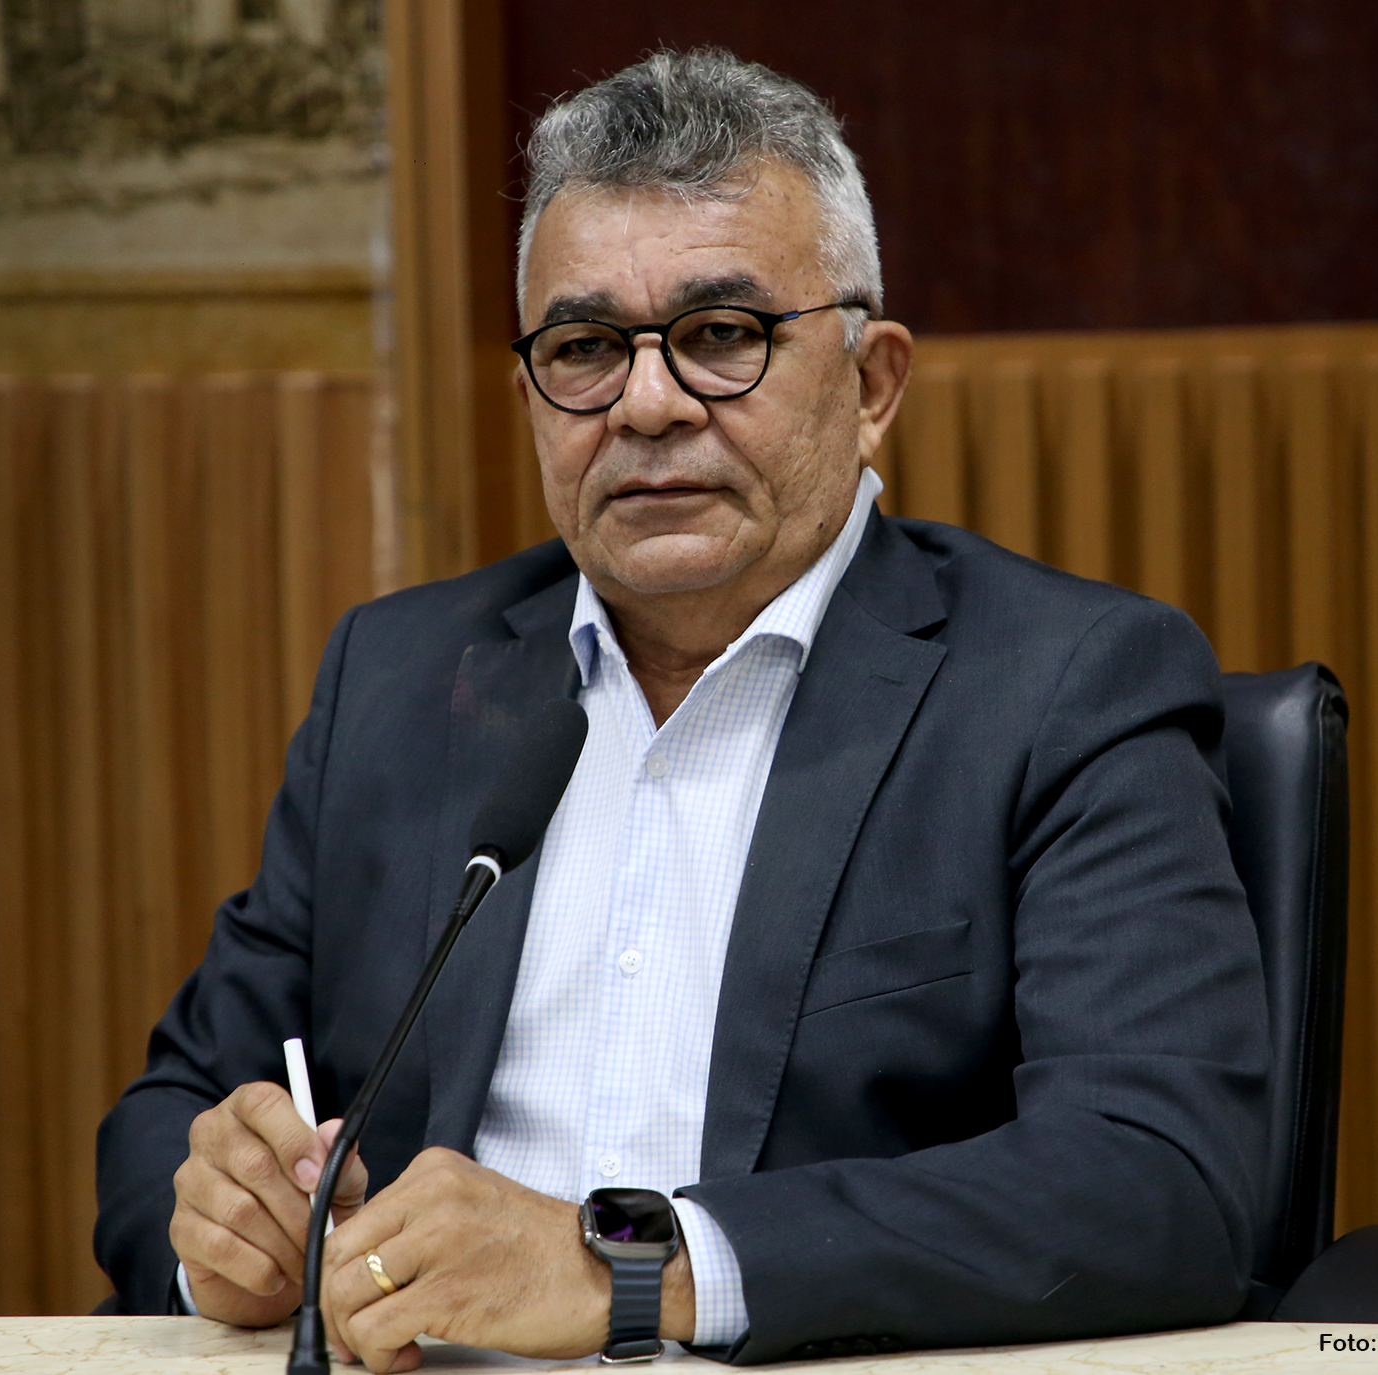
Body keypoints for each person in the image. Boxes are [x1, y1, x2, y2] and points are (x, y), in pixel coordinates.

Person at [95, 48, 1270, 1369]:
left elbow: (1157, 1178)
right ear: (533, 399)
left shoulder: (1062, 684)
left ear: (872, 384)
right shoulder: (403, 679)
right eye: (585, 350)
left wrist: (633, 1264)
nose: (647, 406)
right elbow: (172, 1113)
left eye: (722, 337)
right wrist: (222, 1228)